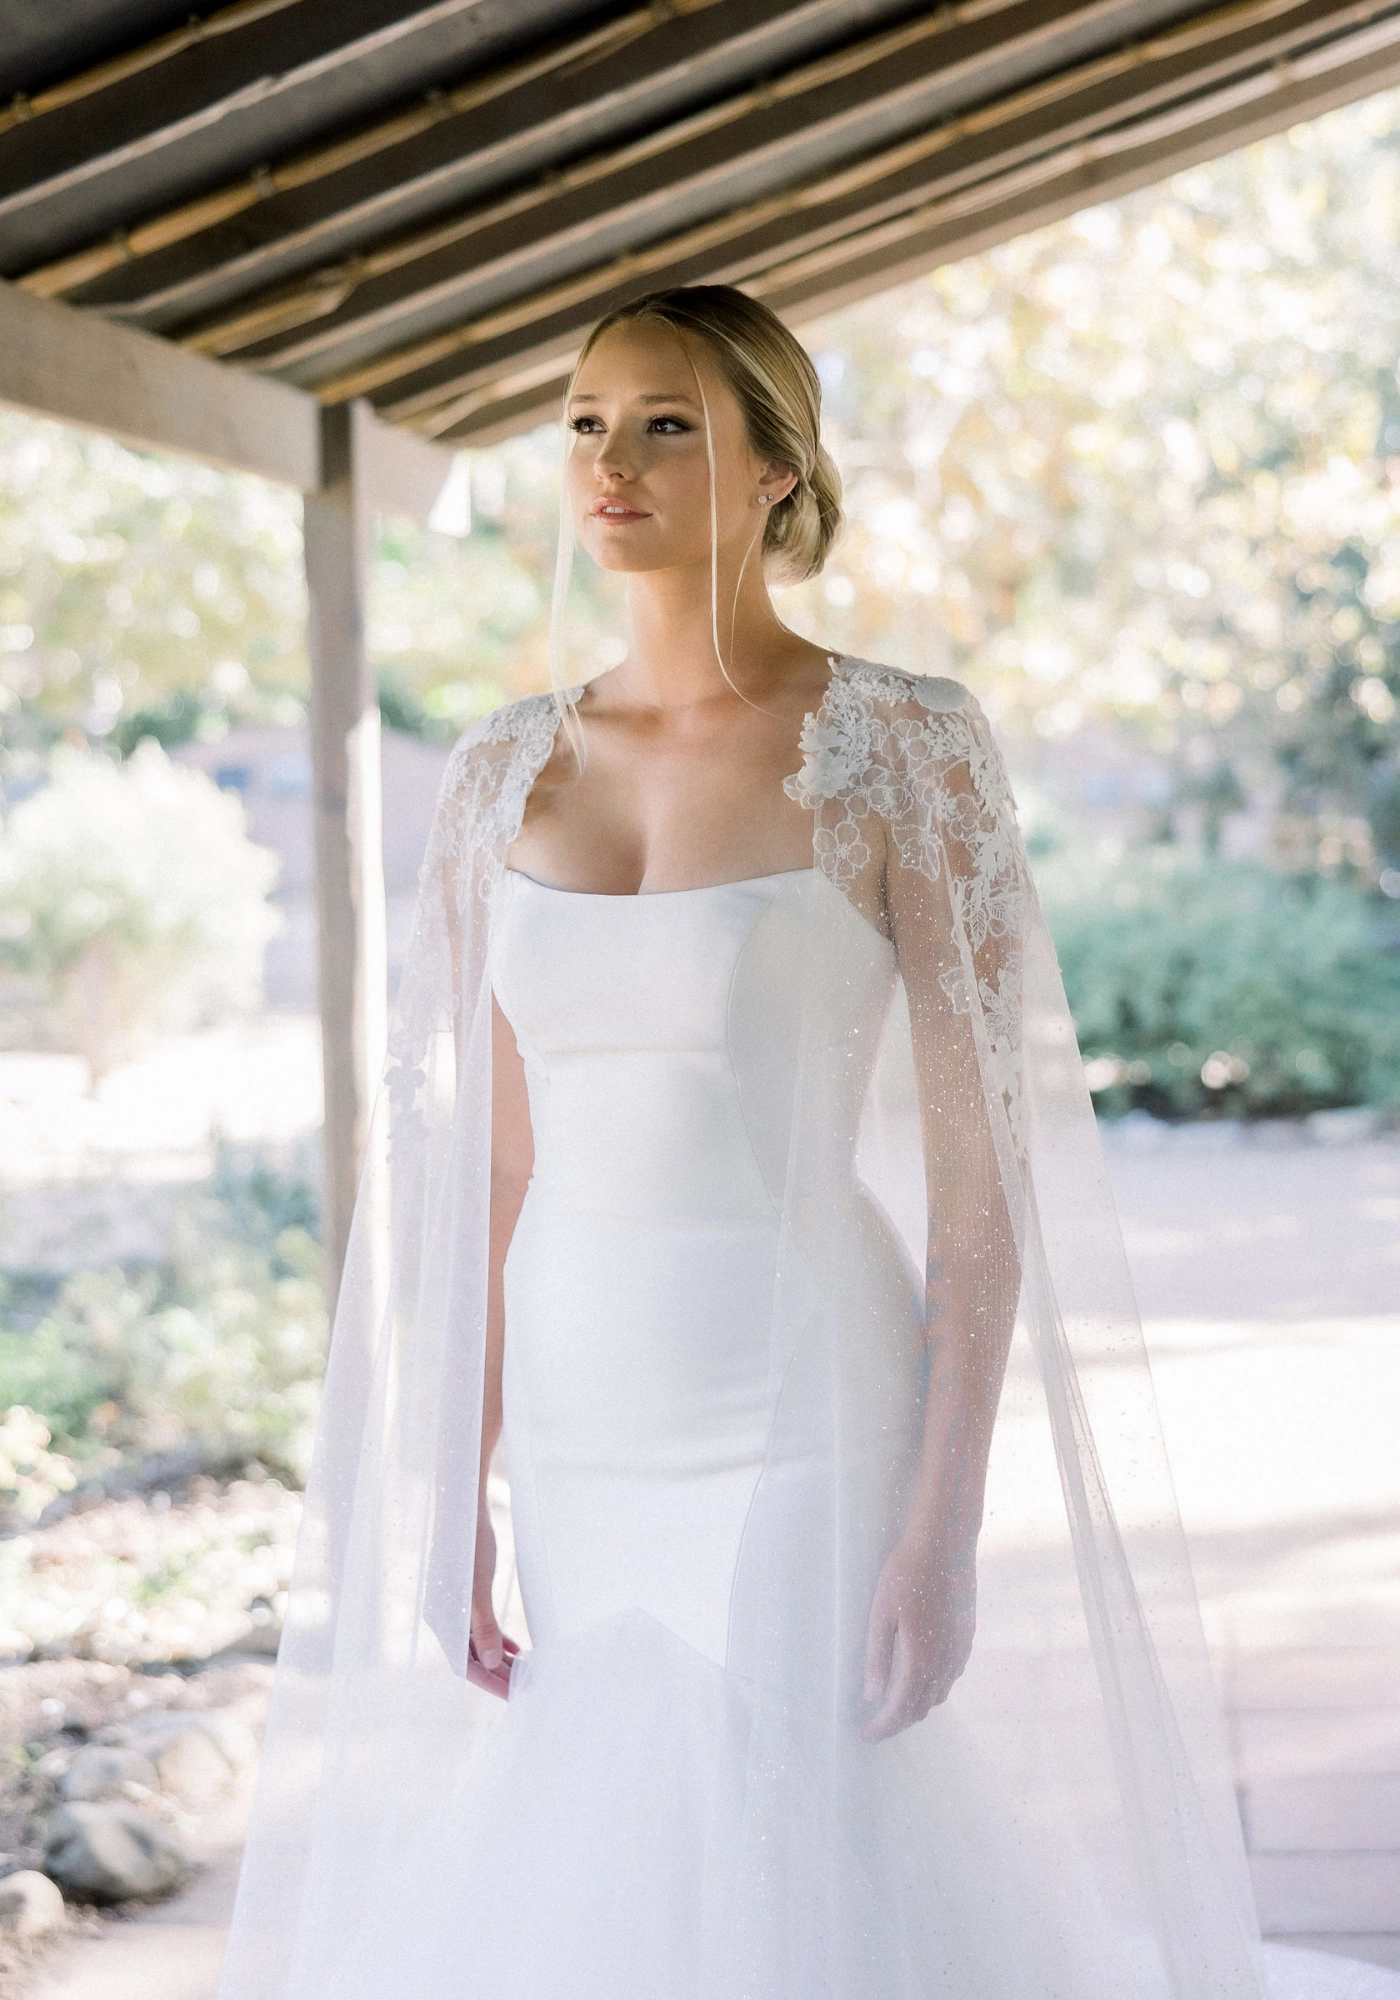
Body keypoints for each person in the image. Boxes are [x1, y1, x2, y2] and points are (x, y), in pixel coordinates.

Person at [218, 288, 1395, 2000]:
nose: (611, 463)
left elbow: (983, 1185)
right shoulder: (497, 774)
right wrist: (454, 1485)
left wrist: (942, 1527)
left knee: (794, 1828)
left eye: (668, 425)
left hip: (800, 1397)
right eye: (586, 423)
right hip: (578, 1414)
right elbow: (498, 1169)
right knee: (618, 1840)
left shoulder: (906, 746)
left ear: (777, 468)